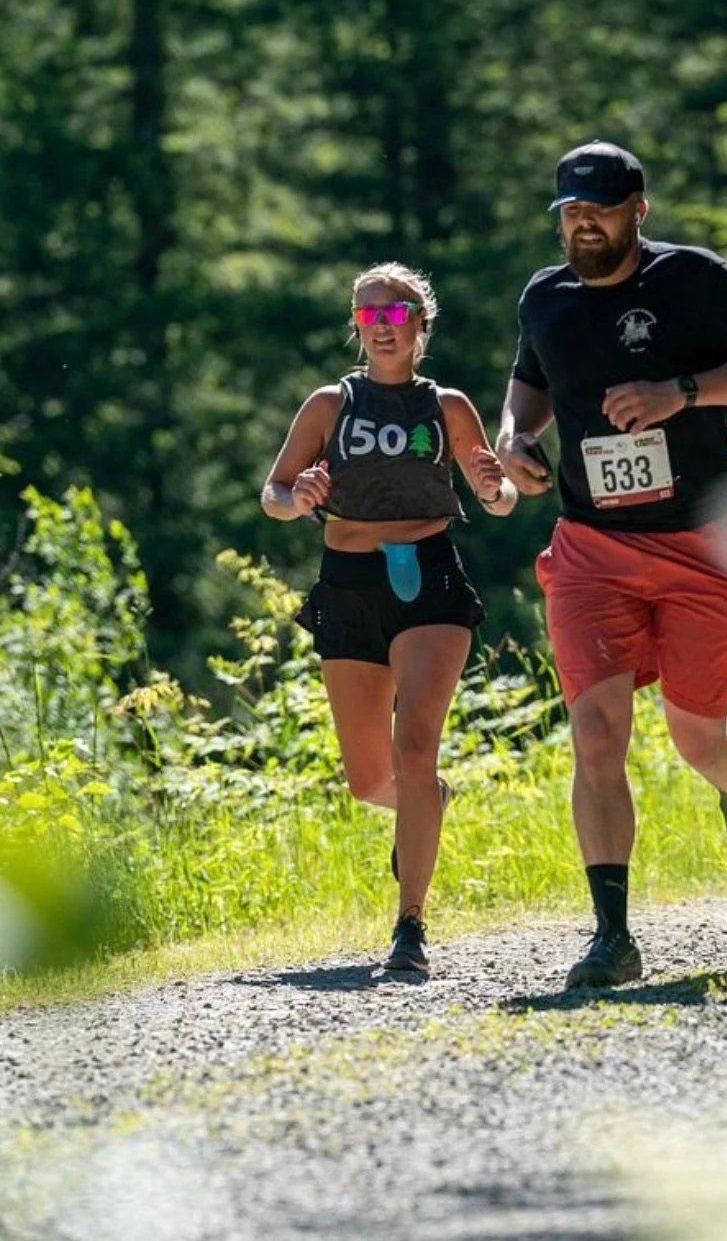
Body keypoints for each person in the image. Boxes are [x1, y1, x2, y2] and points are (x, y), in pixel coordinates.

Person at [494, 141, 727, 990]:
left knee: (698, 739)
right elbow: (530, 383)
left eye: (600, 207)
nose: (583, 222)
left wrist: (681, 393)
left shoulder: (692, 280)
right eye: (570, 211)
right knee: (596, 735)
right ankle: (612, 938)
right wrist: (517, 437)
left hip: (701, 545)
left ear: (638, 209)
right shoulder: (544, 297)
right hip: (593, 547)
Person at [262, 262, 516, 976]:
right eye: (367, 314)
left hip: (429, 581)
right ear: (354, 325)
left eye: (396, 314)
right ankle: (426, 806)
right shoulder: (328, 405)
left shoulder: (448, 406)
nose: (381, 326)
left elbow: (494, 496)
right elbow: (273, 494)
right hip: (347, 585)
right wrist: (298, 496)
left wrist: (498, 492)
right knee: (371, 780)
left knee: (415, 749)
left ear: (420, 327)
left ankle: (410, 927)